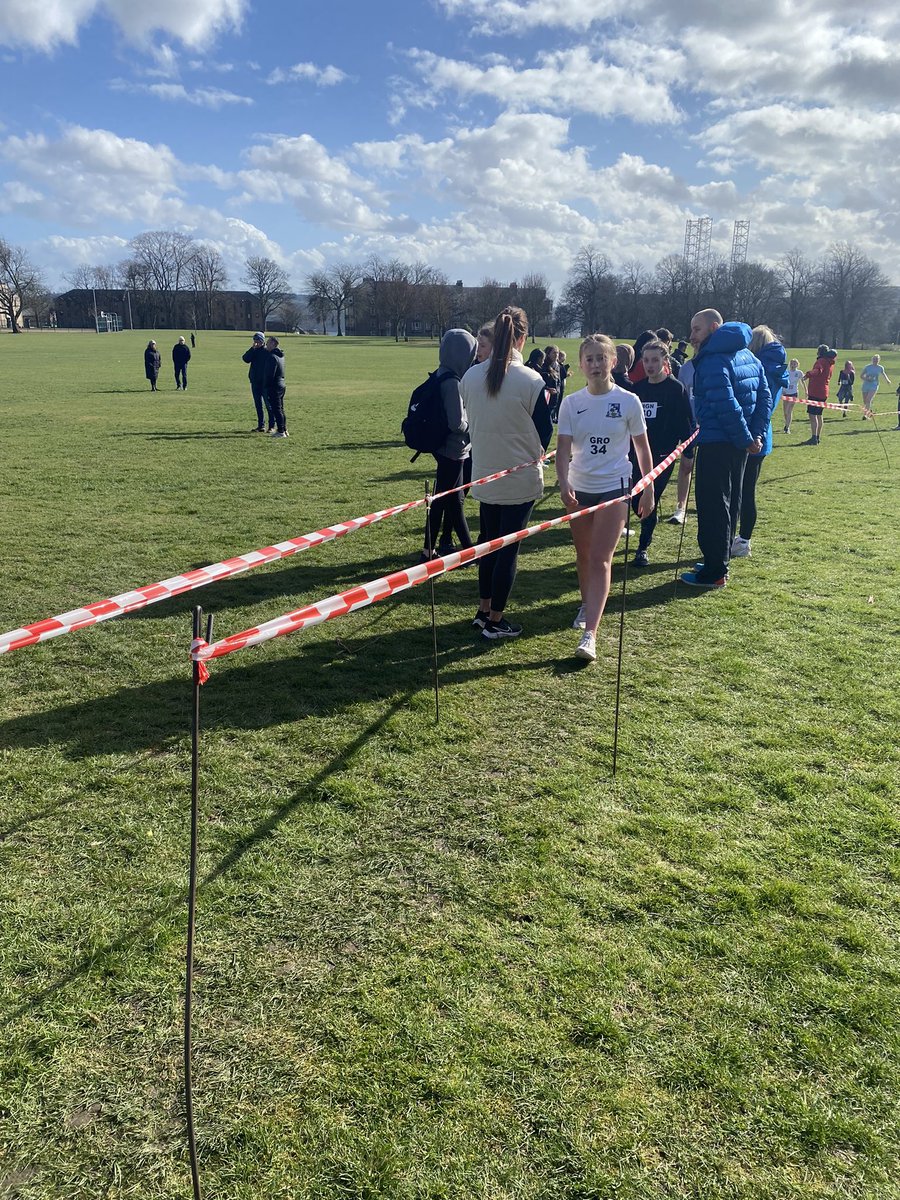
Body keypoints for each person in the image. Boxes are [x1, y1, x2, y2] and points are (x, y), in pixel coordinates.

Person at [556, 334, 654, 661]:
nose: (596, 364)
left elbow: (642, 448)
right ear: (581, 364)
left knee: (600, 557)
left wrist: (648, 487)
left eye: (602, 358)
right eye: (590, 359)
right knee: (583, 556)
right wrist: (563, 482)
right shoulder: (571, 403)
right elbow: (564, 449)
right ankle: (586, 605)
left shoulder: (628, 401)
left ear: (613, 362)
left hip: (616, 486)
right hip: (579, 487)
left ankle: (590, 635)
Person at [461, 305, 552, 641]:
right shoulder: (530, 380)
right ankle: (495, 619)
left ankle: (484, 610)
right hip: (517, 478)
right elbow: (545, 432)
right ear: (523, 338)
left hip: (484, 473)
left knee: (488, 544)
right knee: (506, 550)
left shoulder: (470, 377)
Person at [680, 309, 770, 589]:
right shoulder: (750, 356)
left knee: (712, 506)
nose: (691, 336)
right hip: (739, 445)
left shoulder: (712, 360)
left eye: (696, 329)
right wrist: (753, 436)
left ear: (714, 328)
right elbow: (763, 399)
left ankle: (714, 571)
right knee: (729, 502)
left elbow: (726, 405)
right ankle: (718, 559)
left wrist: (746, 438)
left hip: (719, 442)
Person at [630, 339, 694, 567]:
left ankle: (642, 548)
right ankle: (647, 521)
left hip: (662, 457)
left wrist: (688, 451)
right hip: (636, 454)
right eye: (646, 360)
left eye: (655, 360)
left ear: (665, 361)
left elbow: (686, 422)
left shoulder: (676, 389)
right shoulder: (637, 389)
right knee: (635, 500)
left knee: (650, 499)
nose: (649, 365)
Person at [421, 329, 477, 561]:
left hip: (446, 448)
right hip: (454, 449)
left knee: (445, 499)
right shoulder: (452, 382)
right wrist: (473, 423)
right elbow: (457, 422)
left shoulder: (440, 373)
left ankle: (431, 549)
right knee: (451, 501)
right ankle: (468, 551)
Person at [731, 326, 788, 558]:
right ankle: (743, 539)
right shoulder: (777, 370)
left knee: (740, 491)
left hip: (751, 434)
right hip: (764, 435)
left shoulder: (757, 368)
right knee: (747, 489)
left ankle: (740, 539)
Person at [667, 350, 696, 526]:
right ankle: (681, 507)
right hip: (688, 425)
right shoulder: (686, 368)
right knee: (686, 466)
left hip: (710, 426)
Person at [803, 346, 837, 444]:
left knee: (812, 415)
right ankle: (817, 437)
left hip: (816, 391)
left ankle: (813, 438)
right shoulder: (830, 363)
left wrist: (808, 375)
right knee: (819, 414)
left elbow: (818, 370)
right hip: (824, 392)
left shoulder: (821, 361)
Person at [242, 332, 273, 432]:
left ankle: (271, 426)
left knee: (269, 405)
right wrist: (252, 349)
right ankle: (261, 425)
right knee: (258, 405)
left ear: (263, 341)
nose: (257, 343)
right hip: (255, 382)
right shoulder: (254, 351)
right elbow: (245, 359)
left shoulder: (267, 351)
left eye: (258, 341)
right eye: (255, 341)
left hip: (265, 383)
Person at [264, 336, 287, 437]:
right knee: (281, 408)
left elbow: (270, 374)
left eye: (268, 343)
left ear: (273, 344)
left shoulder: (272, 357)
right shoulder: (281, 356)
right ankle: (284, 429)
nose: (266, 345)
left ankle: (281, 431)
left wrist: (266, 385)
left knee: (276, 409)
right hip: (281, 384)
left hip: (274, 386)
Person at [860, 354, 891, 419]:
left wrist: (887, 380)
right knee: (865, 401)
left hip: (874, 385)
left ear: (879, 360)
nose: (875, 361)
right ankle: (869, 410)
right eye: (874, 359)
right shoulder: (867, 367)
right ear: (872, 360)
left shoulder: (880, 368)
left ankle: (865, 415)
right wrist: (867, 379)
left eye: (877, 360)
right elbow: (861, 376)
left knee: (868, 400)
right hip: (866, 384)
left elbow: (883, 374)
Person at [782, 357, 806, 433]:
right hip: (785, 393)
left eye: (794, 364)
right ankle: (786, 424)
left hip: (794, 393)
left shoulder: (799, 373)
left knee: (789, 410)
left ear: (797, 365)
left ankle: (787, 427)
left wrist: (806, 391)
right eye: (792, 363)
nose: (793, 365)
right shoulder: (786, 372)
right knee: (785, 412)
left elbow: (803, 382)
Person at [541, 344, 561, 420]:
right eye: (554, 353)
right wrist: (548, 389)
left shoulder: (557, 366)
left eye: (557, 352)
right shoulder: (544, 366)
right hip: (546, 398)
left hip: (555, 398)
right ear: (548, 354)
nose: (556, 355)